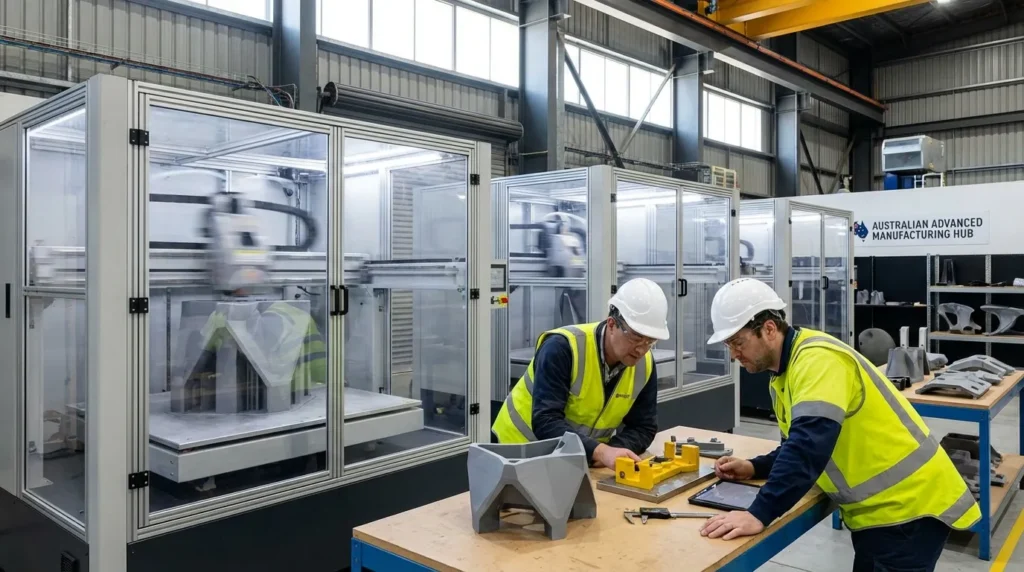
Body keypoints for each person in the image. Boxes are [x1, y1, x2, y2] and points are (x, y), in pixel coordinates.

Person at [698, 278, 980, 571]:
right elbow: (796, 444)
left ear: (769, 329)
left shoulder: (817, 361)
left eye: (737, 342)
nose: (732, 354)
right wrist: (755, 467)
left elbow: (808, 446)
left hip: (907, 509)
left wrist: (759, 513)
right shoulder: (784, 375)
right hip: (884, 512)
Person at [491, 278, 669, 469]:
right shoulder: (562, 348)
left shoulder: (645, 365)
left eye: (650, 341)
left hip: (575, 461)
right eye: (635, 337)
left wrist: (611, 452)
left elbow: (644, 427)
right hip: (519, 453)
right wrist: (600, 452)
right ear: (611, 324)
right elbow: (546, 420)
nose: (641, 349)